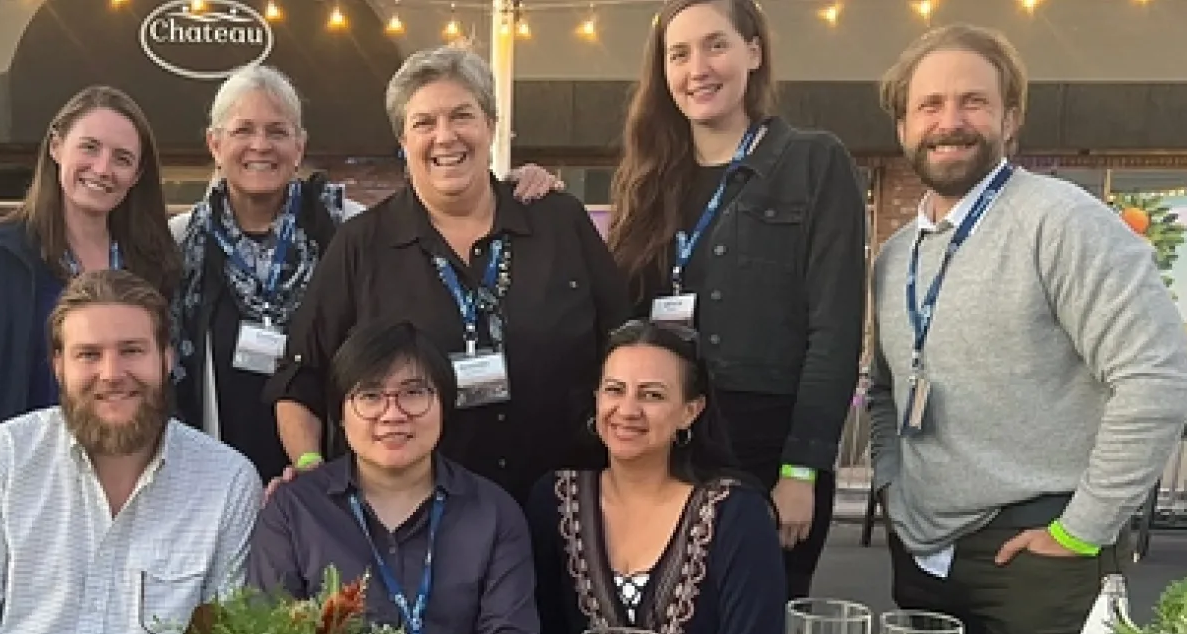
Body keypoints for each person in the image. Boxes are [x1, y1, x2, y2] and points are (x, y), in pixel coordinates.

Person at [866, 24, 1187, 634]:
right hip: (920, 552)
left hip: (1037, 556)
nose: (950, 121)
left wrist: (1082, 529)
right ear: (903, 126)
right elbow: (886, 392)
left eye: (973, 101)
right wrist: (892, 485)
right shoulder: (895, 258)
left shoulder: (1062, 222)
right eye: (929, 105)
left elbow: (1159, 378)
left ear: (1010, 121)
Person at [169, 64, 567, 484]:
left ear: (300, 147)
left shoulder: (348, 229)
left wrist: (511, 187)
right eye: (243, 130)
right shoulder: (180, 244)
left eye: (277, 131)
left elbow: (445, 202)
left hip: (338, 464)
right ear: (215, 144)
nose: (260, 145)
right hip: (216, 462)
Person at [269, 45, 630, 502]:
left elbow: (625, 346)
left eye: (462, 115)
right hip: (413, 524)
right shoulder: (361, 245)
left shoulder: (559, 221)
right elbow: (301, 376)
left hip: (567, 509)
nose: (445, 137)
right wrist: (311, 471)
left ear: (491, 127)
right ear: (403, 142)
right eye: (423, 123)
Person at [601, 0, 865, 599]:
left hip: (770, 450)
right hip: (667, 444)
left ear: (753, 52)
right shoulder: (648, 178)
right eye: (678, 54)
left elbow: (836, 330)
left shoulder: (813, 162)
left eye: (715, 45)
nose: (698, 67)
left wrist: (801, 471)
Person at [0, 269, 262, 634]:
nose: (112, 373)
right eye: (88, 354)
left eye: (131, 350)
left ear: (167, 360)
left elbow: (232, 626)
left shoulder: (227, 484)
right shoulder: (4, 460)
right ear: (58, 367)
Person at [247, 319, 539, 632]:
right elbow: (266, 624)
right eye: (370, 396)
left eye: (413, 393)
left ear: (444, 404)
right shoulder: (293, 511)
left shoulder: (494, 514)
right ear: (341, 415)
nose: (393, 414)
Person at [0, 86, 181, 443]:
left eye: (122, 158)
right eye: (89, 147)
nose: (102, 168)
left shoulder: (154, 264)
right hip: (25, 472)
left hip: (129, 470)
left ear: (137, 173)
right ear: (56, 146)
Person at [526, 320, 785, 634]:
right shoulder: (556, 501)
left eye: (652, 395)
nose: (628, 409)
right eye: (614, 390)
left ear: (690, 411)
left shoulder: (735, 514)